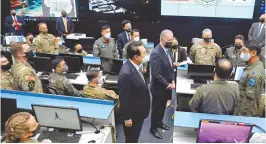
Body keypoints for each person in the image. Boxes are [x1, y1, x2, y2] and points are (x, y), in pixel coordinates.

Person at [118, 41, 150, 143]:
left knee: (135, 137)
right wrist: (127, 118)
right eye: (144, 53)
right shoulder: (126, 73)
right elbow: (123, 98)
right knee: (131, 139)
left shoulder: (136, 66)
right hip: (133, 116)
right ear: (136, 57)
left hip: (139, 112)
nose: (146, 55)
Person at [150, 30, 175, 139]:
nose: (171, 42)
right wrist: (168, 84)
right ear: (162, 39)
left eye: (172, 39)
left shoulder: (168, 50)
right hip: (158, 88)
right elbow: (156, 74)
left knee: (162, 108)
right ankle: (153, 128)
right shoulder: (156, 53)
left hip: (166, 86)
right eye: (169, 40)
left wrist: (172, 80)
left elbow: (170, 67)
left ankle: (159, 122)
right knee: (156, 109)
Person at [234, 40, 265, 117]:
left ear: (253, 53)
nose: (242, 53)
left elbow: (249, 100)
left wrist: (240, 115)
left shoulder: (253, 74)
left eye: (244, 51)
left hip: (246, 112)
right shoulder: (256, 64)